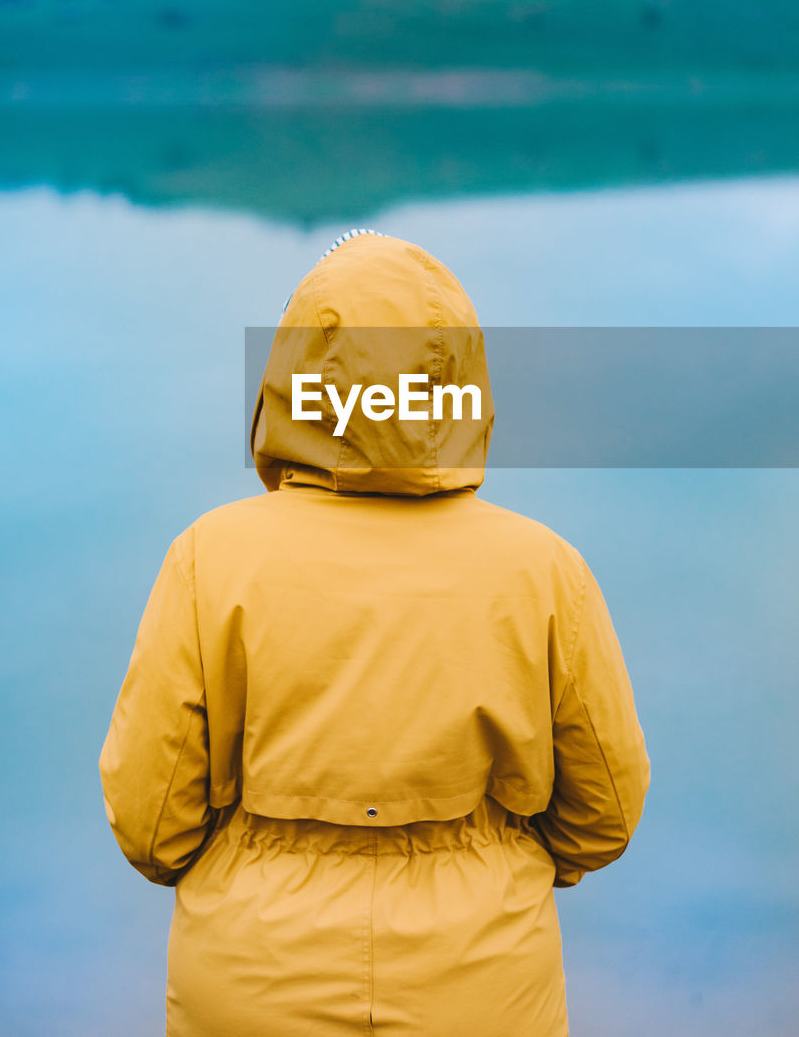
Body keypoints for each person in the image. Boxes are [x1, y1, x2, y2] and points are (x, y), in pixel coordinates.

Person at [99, 231, 650, 1037]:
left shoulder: (207, 557)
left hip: (253, 971)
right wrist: (496, 864)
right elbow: (603, 808)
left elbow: (151, 821)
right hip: (480, 974)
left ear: (294, 378)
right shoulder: (543, 567)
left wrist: (251, 866)